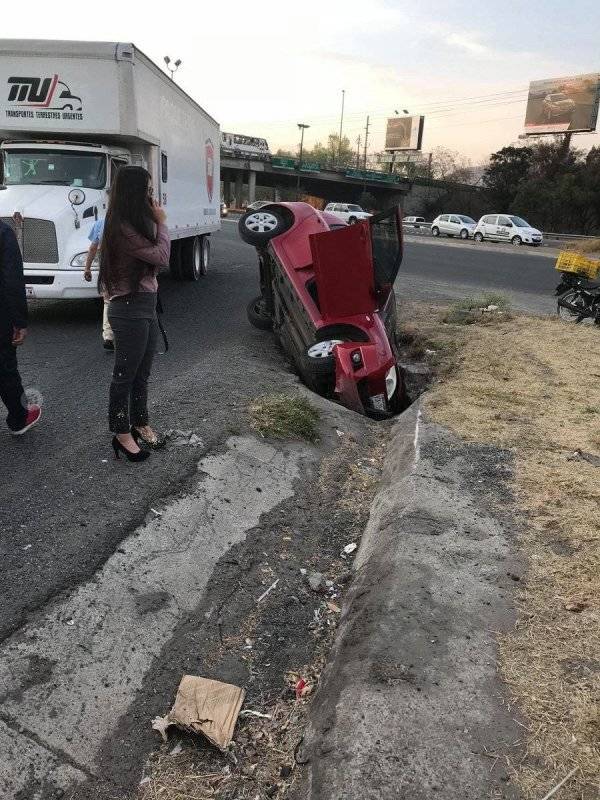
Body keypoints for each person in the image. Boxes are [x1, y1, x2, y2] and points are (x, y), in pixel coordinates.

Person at [98, 166, 170, 463]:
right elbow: (162, 257)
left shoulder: (134, 223)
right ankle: (120, 430)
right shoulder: (122, 227)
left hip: (145, 304)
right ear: (134, 193)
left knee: (142, 373)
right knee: (125, 375)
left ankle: (140, 422)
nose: (151, 197)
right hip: (128, 308)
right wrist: (162, 223)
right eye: (147, 190)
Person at [0, 220, 42, 435]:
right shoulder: (3, 231)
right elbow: (12, 280)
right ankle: (19, 416)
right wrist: (20, 321)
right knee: (5, 367)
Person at [84, 216, 114, 350]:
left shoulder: (100, 224)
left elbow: (93, 248)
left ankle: (108, 336)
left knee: (108, 302)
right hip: (124, 271)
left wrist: (87, 267)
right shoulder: (128, 221)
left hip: (106, 270)